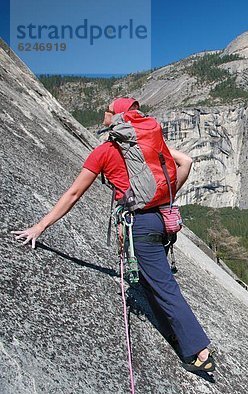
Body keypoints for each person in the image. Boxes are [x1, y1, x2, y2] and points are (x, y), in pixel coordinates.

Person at [12, 97, 215, 374]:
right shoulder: (147, 146)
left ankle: (200, 351)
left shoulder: (105, 151)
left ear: (115, 118)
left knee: (164, 286)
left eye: (107, 111)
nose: (103, 114)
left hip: (139, 227)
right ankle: (179, 337)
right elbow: (186, 161)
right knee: (152, 282)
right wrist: (165, 197)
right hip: (159, 219)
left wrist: (40, 226)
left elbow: (73, 194)